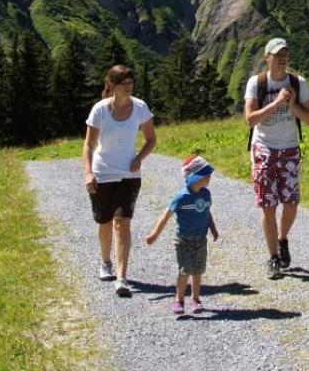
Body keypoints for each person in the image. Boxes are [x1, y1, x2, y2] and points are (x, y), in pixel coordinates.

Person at [242, 36, 309, 279]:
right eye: (277, 54)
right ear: (267, 58)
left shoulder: (298, 82)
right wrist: (275, 103)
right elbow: (250, 119)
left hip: (290, 148)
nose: (282, 58)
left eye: (285, 54)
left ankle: (282, 239)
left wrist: (292, 104)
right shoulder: (257, 83)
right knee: (268, 206)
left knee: (291, 203)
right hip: (263, 148)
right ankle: (273, 257)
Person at [83, 63, 156, 297]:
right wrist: (88, 172)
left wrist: (139, 158)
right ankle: (105, 262)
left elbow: (151, 140)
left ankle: (122, 277)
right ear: (112, 86)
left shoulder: (140, 108)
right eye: (124, 84)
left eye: (131, 83)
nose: (129, 87)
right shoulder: (100, 110)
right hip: (102, 173)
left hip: (129, 175)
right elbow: (88, 145)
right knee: (104, 221)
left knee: (121, 222)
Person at [144, 154, 221, 317]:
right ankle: (179, 299)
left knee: (198, 270)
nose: (209, 178)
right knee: (184, 271)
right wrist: (154, 234)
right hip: (184, 240)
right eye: (206, 175)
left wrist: (213, 229)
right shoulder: (181, 197)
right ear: (195, 177)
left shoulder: (206, 194)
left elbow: (207, 213)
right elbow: (166, 216)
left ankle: (196, 298)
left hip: (200, 239)